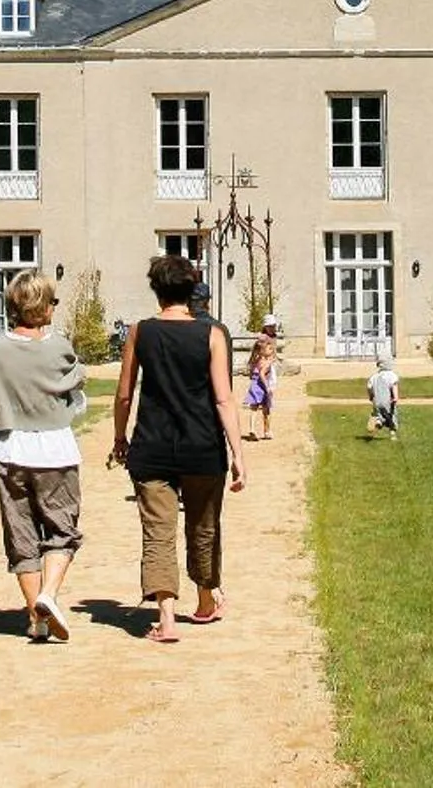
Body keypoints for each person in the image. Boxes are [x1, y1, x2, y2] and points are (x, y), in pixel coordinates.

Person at [111, 252, 246, 643]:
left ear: (156, 290)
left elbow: (124, 395)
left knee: (158, 532)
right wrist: (238, 453)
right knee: (203, 527)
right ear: (191, 291)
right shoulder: (212, 335)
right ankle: (205, 599)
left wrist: (120, 437)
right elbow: (224, 399)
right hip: (203, 446)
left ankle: (166, 619)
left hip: (152, 445)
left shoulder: (140, 331)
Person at [0, 269, 87, 643]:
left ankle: (36, 619)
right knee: (61, 529)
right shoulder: (58, 346)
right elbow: (74, 383)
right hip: (54, 446)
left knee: (20, 534)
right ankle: (48, 595)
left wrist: (5, 419)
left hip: (11, 447)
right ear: (43, 306)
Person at [242, 321, 281, 442]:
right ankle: (267, 431)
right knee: (266, 410)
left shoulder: (256, 360)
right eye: (270, 348)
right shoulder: (266, 363)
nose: (272, 350)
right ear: (263, 350)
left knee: (254, 409)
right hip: (262, 387)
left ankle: (252, 429)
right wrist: (268, 388)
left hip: (254, 386)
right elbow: (263, 375)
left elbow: (251, 373)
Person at [366, 350, 400, 438]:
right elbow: (394, 386)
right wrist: (395, 398)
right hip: (388, 401)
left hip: (377, 402)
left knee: (379, 414)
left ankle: (378, 422)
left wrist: (371, 397)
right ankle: (393, 434)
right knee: (391, 416)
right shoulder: (392, 375)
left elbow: (369, 388)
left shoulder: (374, 377)